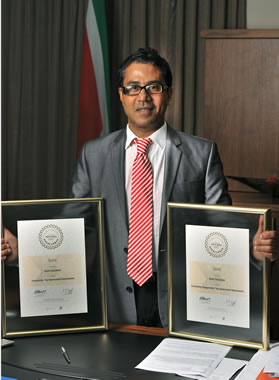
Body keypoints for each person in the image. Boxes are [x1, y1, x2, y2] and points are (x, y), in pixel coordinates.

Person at [2, 48, 279, 328]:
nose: (143, 96)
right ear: (121, 95)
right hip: (116, 299)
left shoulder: (202, 153)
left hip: (182, 298)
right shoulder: (94, 154)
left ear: (168, 93)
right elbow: (74, 224)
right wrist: (22, 250)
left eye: (154, 87)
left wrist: (252, 251)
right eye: (133, 88)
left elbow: (220, 226)